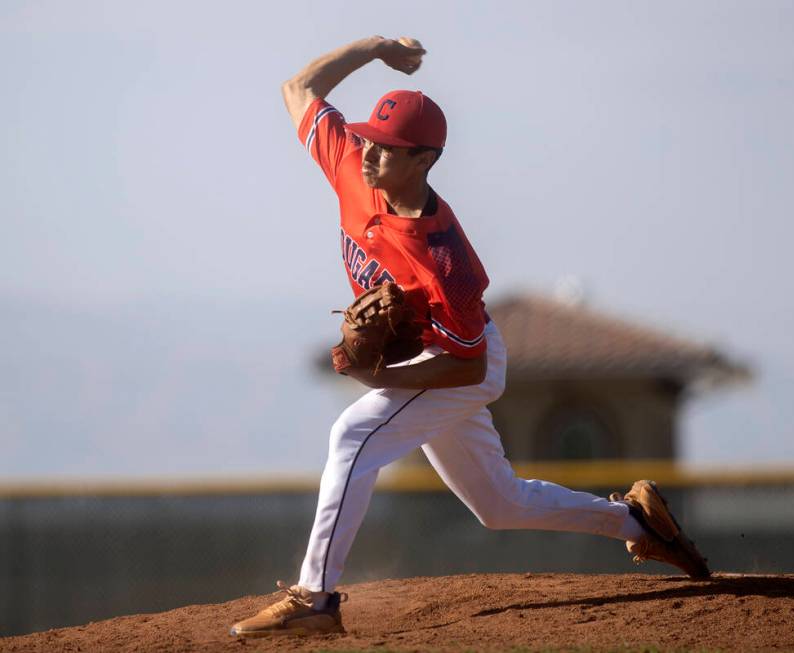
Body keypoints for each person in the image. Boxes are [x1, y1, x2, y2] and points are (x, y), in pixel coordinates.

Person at [229, 35, 708, 639]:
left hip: (460, 358)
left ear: (424, 161)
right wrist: (374, 49)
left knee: (352, 433)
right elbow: (298, 89)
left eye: (389, 149)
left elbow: (468, 368)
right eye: (371, 140)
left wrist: (382, 377)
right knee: (498, 504)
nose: (371, 153)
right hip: (443, 358)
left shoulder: (445, 260)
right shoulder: (354, 166)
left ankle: (315, 599)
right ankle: (637, 524)